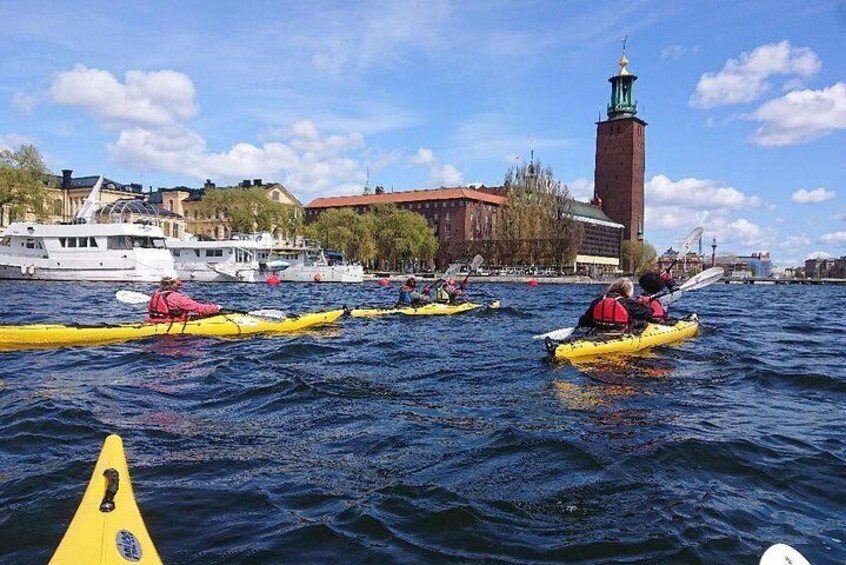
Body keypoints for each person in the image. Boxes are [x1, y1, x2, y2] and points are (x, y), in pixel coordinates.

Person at [577, 278, 653, 332]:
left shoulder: (598, 300)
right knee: (642, 322)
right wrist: (643, 304)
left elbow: (583, 321)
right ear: (629, 291)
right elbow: (649, 314)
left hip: (599, 329)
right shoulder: (628, 303)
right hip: (619, 331)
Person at [146, 276, 221, 323]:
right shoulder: (177, 297)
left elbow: (150, 308)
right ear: (173, 284)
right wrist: (216, 308)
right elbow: (197, 307)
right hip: (171, 322)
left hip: (153, 320)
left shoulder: (156, 294)